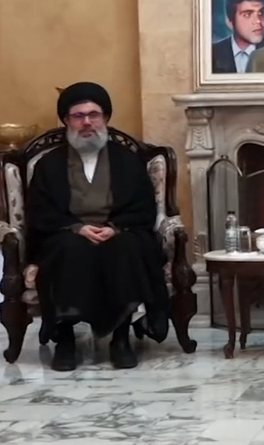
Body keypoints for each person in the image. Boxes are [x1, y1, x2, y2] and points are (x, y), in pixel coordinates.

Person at [27, 82, 170, 372]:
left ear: (105, 118)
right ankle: (65, 338)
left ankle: (121, 338)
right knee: (69, 249)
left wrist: (115, 228)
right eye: (78, 116)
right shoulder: (49, 165)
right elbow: (39, 212)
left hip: (119, 231)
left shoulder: (127, 161)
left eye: (94, 115)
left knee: (126, 247)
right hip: (66, 233)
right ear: (66, 120)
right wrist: (76, 228)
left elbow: (144, 208)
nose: (87, 122)